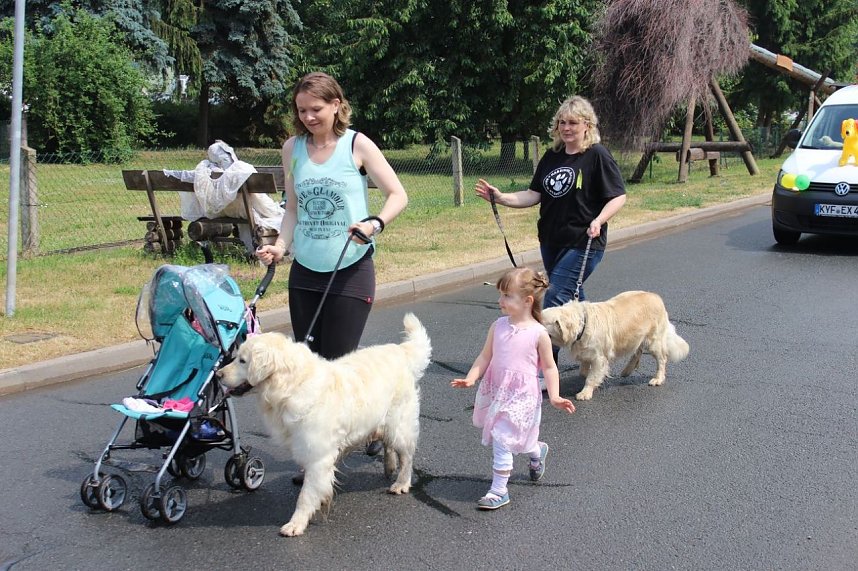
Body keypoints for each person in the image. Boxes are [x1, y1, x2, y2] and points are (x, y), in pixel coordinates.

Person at [256, 71, 408, 468]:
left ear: (337, 105)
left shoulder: (357, 145)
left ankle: (326, 458)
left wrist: (375, 224)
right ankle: (327, 451)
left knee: (337, 364)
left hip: (350, 268)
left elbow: (398, 194)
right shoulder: (292, 149)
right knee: (307, 367)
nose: (308, 117)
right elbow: (292, 209)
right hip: (305, 270)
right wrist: (280, 246)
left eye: (316, 109)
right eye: (301, 110)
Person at [475, 96, 627, 369]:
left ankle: (544, 368)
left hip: (584, 241)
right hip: (551, 240)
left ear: (586, 125)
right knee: (574, 302)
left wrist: (599, 220)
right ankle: (595, 352)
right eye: (561, 123)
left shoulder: (597, 155)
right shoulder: (552, 156)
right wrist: (500, 197)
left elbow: (618, 196)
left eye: (572, 122)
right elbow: (533, 195)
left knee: (554, 298)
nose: (566, 128)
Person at [451, 267, 576, 510]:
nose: (500, 301)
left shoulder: (539, 334)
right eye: (501, 295)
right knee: (516, 439)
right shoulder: (498, 326)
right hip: (498, 390)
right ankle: (537, 450)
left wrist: (555, 396)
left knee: (503, 437)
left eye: (507, 296)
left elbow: (549, 368)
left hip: (522, 396)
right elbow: (484, 357)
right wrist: (471, 377)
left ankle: (499, 491)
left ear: (527, 301)